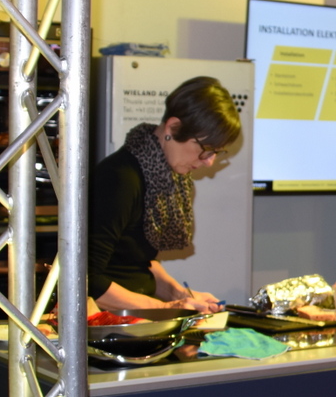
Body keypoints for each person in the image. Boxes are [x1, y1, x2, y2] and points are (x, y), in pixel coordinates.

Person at [88, 76, 239, 312]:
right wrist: (167, 309)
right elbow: (86, 280)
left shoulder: (165, 178)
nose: (209, 162)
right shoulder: (119, 178)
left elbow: (137, 262)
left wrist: (181, 295)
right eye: (206, 150)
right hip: (107, 319)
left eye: (216, 153)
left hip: (134, 316)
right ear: (172, 128)